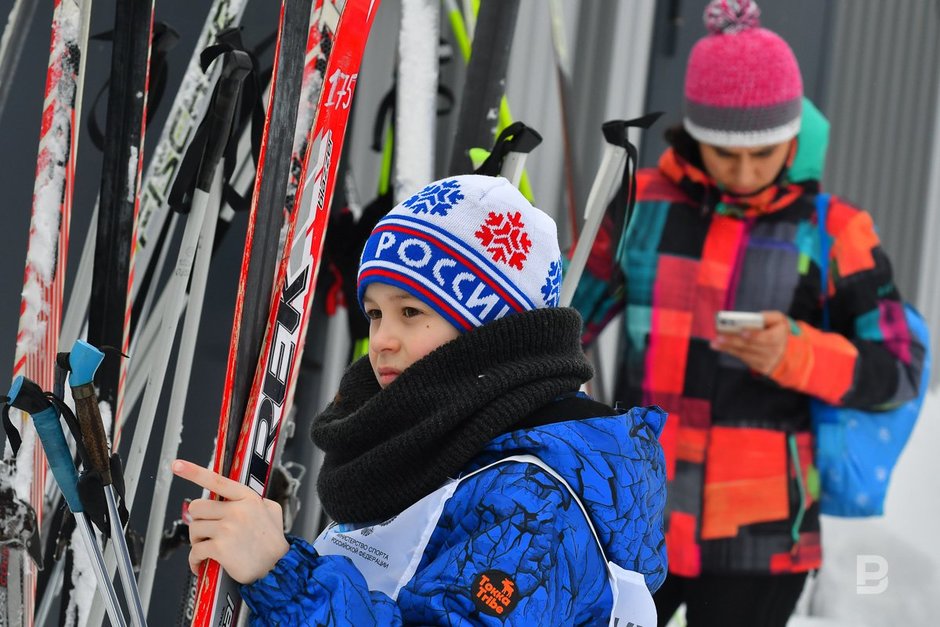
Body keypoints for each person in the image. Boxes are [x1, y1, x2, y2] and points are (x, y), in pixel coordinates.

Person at [173, 174, 669, 625]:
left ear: (487, 326)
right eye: (373, 314)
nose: (382, 339)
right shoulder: (428, 444)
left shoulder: (536, 502)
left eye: (410, 311)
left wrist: (280, 574)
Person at [570, 1, 926, 626]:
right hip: (636, 509)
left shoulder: (833, 233)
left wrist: (798, 353)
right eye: (722, 152)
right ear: (692, 135)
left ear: (793, 137)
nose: (743, 172)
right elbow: (567, 325)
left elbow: (898, 368)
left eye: (763, 153)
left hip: (763, 534)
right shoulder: (641, 205)